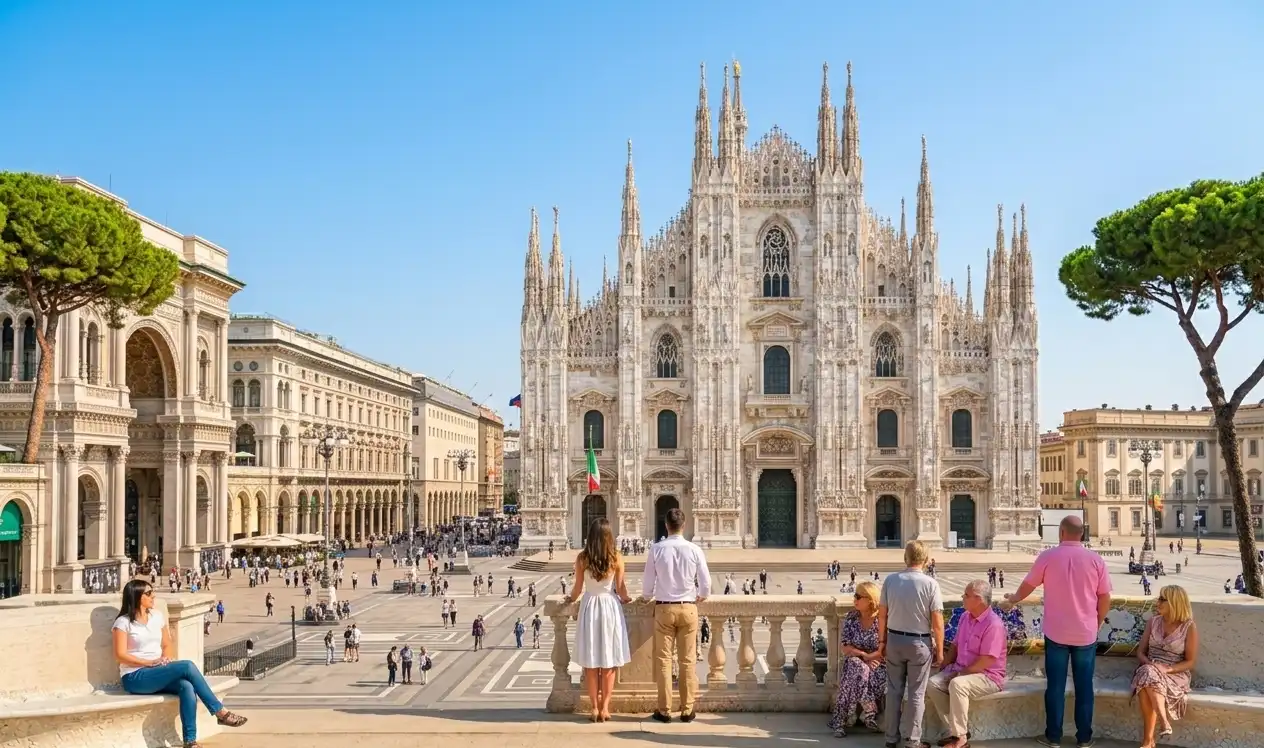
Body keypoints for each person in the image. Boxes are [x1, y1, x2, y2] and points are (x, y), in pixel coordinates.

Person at [1005, 514, 1110, 748]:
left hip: (1056, 633)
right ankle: (1084, 738)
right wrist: (1098, 620)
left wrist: (1013, 599)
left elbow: (1027, 586)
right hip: (1085, 634)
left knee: (1055, 686)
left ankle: (1053, 737)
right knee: (1084, 687)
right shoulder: (1096, 560)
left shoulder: (1048, 557)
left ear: (1061, 532)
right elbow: (1104, 597)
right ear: (1081, 534)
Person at [112, 579, 247, 748]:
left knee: (187, 687)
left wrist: (165, 659)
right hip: (135, 676)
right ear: (137, 596)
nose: (153, 596)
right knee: (187, 666)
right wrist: (149, 662)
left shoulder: (157, 617)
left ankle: (190, 741)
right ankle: (220, 712)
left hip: (156, 671)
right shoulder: (123, 622)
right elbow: (120, 655)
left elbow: (167, 644)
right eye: (148, 593)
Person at [642, 507, 711, 724]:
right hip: (688, 608)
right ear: (684, 525)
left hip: (664, 609)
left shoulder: (657, 549)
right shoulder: (694, 549)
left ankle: (663, 711)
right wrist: (700, 595)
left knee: (664, 661)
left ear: (666, 526)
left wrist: (646, 597)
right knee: (687, 661)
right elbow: (706, 585)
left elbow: (647, 586)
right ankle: (687, 710)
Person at [877, 540, 943, 748]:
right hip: (919, 643)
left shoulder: (890, 580)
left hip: (894, 640)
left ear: (905, 557)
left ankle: (890, 739)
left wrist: (881, 642)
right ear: (925, 560)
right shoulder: (930, 584)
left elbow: (882, 615)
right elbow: (938, 622)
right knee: (916, 693)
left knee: (894, 690)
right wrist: (940, 651)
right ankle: (913, 741)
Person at [926, 580, 1006, 748]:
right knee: (933, 683)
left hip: (987, 675)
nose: (963, 597)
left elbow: (987, 660)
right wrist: (942, 664)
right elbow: (955, 645)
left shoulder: (994, 624)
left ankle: (960, 739)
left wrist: (960, 674)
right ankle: (956, 730)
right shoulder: (965, 617)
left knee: (957, 684)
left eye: (966, 595)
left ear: (978, 599)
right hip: (962, 670)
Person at [567, 517, 633, 722]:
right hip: (609, 607)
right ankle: (605, 708)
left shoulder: (582, 558)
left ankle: (594, 708)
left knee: (591, 661)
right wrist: (626, 599)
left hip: (590, 606)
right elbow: (621, 589)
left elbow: (577, 589)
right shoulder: (616, 557)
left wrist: (569, 599)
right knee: (609, 661)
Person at [1131, 585, 1198, 748]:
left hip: (1175, 673)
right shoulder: (1153, 622)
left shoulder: (1188, 627)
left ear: (1175, 603)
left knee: (1146, 685)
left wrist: (1168, 669)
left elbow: (1190, 661)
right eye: (1159, 598)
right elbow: (1140, 652)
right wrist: (1151, 665)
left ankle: (1148, 740)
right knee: (1148, 673)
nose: (1158, 602)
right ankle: (1163, 722)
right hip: (1150, 667)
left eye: (1162, 599)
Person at [829, 580, 886, 738]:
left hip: (877, 665)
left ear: (870, 600)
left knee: (854, 676)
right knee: (857, 666)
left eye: (858, 596)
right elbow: (845, 647)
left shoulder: (881, 619)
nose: (854, 599)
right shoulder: (852, 617)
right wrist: (864, 655)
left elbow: (886, 649)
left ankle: (840, 721)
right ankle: (870, 710)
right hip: (857, 660)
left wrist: (871, 657)